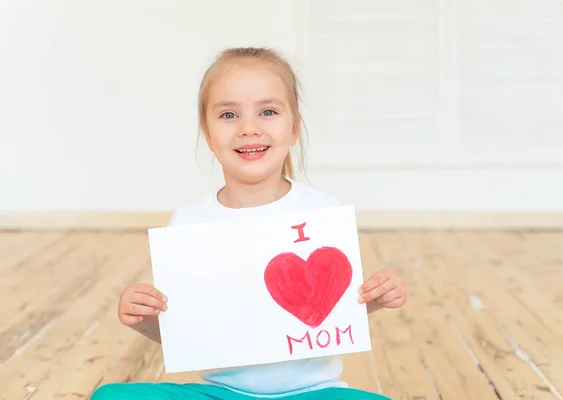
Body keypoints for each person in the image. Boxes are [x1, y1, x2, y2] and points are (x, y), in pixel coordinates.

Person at [91, 47, 407, 400]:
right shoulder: (190, 223)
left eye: (268, 111)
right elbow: (186, 330)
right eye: (228, 114)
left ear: (294, 130)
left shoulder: (320, 211)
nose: (248, 128)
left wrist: (376, 299)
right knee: (111, 396)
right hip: (221, 394)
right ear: (208, 135)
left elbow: (337, 314)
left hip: (314, 393)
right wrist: (142, 317)